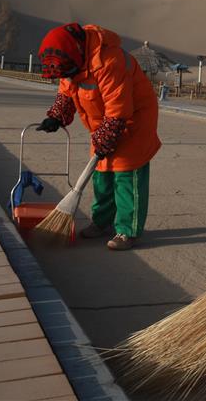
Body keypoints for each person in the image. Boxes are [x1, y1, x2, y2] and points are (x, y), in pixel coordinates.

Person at [36, 23, 161, 251]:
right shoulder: (70, 61)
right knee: (102, 175)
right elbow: (67, 88)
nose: (67, 77)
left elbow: (118, 106)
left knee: (126, 174)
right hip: (104, 122)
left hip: (133, 119)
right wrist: (57, 116)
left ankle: (127, 230)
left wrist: (107, 137)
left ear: (78, 55)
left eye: (68, 72)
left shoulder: (109, 62)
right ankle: (102, 222)